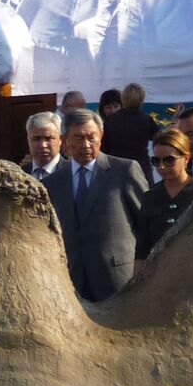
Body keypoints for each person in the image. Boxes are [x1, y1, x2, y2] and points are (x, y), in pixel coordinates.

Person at [44, 109, 147, 302]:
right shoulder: (53, 183)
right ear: (65, 141)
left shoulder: (124, 171)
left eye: (91, 137)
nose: (86, 144)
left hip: (117, 280)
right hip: (72, 281)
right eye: (79, 138)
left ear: (101, 136)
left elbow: (146, 223)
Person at [133, 128, 193, 271]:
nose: (162, 167)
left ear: (186, 158)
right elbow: (142, 249)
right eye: (156, 161)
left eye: (169, 160)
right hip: (158, 273)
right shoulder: (151, 196)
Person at [100, 82, 159, 174]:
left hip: (116, 168)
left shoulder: (110, 121)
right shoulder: (147, 120)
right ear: (142, 99)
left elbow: (103, 148)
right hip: (141, 168)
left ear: (123, 98)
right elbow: (160, 140)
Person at [23, 111, 67, 180]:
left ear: (61, 139)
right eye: (36, 139)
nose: (43, 145)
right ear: (28, 140)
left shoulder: (72, 174)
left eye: (48, 138)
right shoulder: (20, 175)